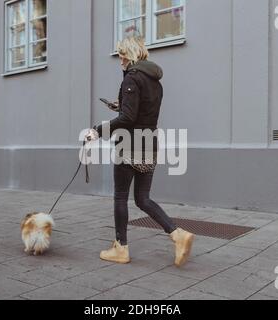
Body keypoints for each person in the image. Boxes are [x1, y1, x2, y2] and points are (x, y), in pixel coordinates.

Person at [85, 37, 194, 267]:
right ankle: (178, 235)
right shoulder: (155, 80)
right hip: (151, 143)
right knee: (143, 198)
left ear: (129, 54)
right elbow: (141, 109)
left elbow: (128, 118)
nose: (119, 60)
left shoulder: (132, 78)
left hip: (130, 145)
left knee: (121, 197)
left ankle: (121, 249)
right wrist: (121, 103)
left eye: (121, 55)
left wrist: (97, 130)